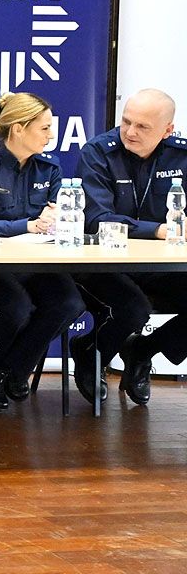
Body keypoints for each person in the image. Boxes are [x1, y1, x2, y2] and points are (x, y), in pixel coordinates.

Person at [0, 91, 85, 413]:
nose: (51, 135)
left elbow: (58, 215)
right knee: (16, 306)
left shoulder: (49, 167)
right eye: (44, 128)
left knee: (69, 303)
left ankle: (7, 366)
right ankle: (4, 366)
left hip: (36, 263)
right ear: (18, 128)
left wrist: (59, 219)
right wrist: (29, 225)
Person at [74, 88, 185, 406]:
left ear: (167, 130)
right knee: (134, 308)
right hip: (105, 266)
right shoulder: (99, 152)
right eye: (126, 122)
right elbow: (98, 220)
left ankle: (143, 349)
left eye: (142, 126)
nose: (130, 132)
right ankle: (90, 352)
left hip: (160, 267)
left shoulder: (181, 156)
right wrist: (160, 230)